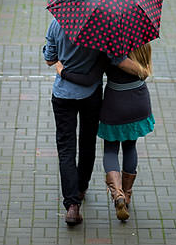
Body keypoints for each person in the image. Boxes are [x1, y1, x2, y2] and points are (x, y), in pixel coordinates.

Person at [43, 16, 145, 226]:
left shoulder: (57, 22)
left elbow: (50, 58)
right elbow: (113, 59)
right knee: (87, 143)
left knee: (66, 150)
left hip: (62, 95)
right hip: (90, 94)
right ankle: (81, 188)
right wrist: (141, 70)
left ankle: (72, 205)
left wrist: (62, 66)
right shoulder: (100, 26)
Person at [58, 42, 155, 222]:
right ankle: (126, 195)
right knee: (130, 146)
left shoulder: (110, 48)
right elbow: (145, 72)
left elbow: (89, 78)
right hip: (139, 101)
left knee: (110, 149)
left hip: (115, 104)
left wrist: (61, 70)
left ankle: (116, 194)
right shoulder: (144, 44)